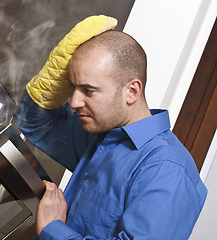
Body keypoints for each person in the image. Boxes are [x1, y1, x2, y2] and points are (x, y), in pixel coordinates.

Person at [15, 15, 207, 240]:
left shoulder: (168, 169)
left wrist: (54, 228)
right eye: (73, 87)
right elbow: (33, 121)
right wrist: (58, 64)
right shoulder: (104, 138)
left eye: (88, 90)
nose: (74, 102)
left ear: (132, 91)